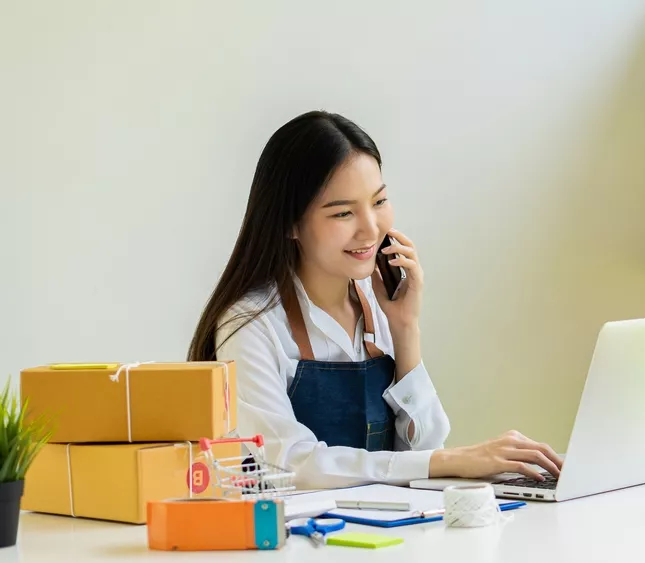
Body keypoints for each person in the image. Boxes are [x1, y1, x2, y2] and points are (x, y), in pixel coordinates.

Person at [187, 110, 562, 490]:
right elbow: (290, 467)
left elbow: (425, 451)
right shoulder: (250, 323)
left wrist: (405, 328)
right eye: (344, 212)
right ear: (290, 224)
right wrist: (451, 461)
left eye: (379, 201)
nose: (371, 228)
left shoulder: (378, 304)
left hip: (387, 532)